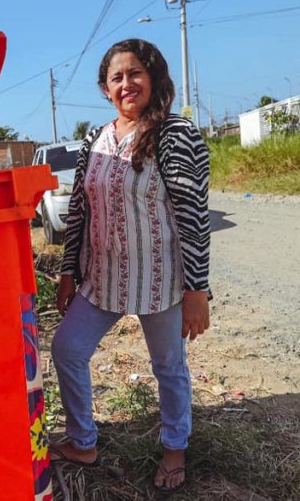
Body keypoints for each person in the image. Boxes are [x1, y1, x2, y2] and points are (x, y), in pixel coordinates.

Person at [48, 38, 211, 493]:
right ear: (105, 88)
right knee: (67, 349)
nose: (126, 84)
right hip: (102, 280)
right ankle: (83, 441)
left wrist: (197, 291)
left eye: (135, 73)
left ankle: (175, 448)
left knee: (168, 366)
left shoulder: (175, 134)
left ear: (153, 78)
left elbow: (193, 216)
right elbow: (79, 209)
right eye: (116, 77)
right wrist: (67, 272)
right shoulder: (93, 141)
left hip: (161, 282)